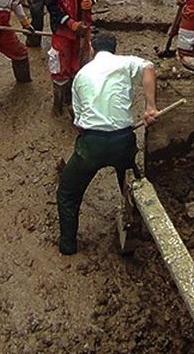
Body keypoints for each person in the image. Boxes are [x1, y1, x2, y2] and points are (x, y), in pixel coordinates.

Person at [55, 32, 159, 255]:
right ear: (116, 49)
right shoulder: (124, 63)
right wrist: (150, 107)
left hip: (92, 144)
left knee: (67, 194)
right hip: (123, 140)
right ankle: (138, 221)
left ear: (92, 50)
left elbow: (79, 122)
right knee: (133, 182)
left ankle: (67, 246)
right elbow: (149, 68)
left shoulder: (81, 76)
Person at [45, 0, 102, 116]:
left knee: (82, 62)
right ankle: (58, 103)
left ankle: (76, 98)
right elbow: (52, 6)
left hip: (84, 24)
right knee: (60, 64)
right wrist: (71, 24)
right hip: (62, 29)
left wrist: (92, 0)